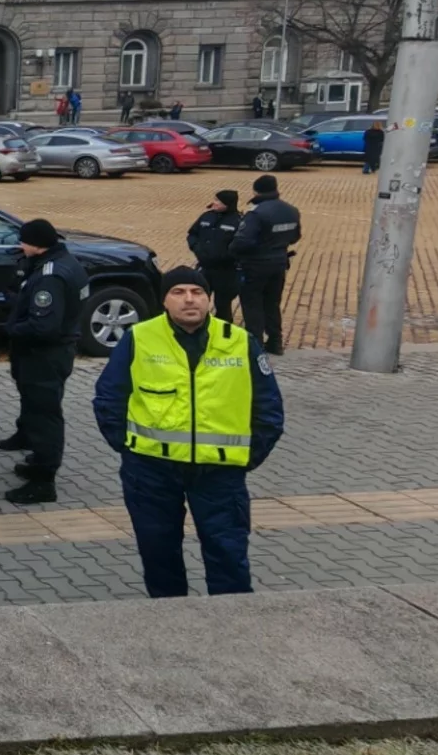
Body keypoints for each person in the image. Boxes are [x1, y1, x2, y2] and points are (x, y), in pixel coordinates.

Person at [93, 268, 285, 598]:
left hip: (219, 473)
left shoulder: (239, 342)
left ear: (209, 300)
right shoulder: (139, 338)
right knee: (159, 555)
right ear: (165, 301)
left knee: (228, 557)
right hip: (151, 472)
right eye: (179, 292)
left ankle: (236, 629)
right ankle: (172, 624)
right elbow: (109, 399)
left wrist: (247, 457)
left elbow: (268, 408)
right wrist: (129, 449)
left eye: (197, 292)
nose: (189, 299)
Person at [0, 219, 89, 505]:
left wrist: (13, 328)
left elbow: (44, 326)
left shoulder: (50, 275)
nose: (20, 246)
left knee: (44, 417)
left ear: (36, 244)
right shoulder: (67, 262)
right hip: (54, 352)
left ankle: (43, 482)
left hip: (44, 356)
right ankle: (39, 461)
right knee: (40, 411)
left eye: (24, 241)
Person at [232, 174, 302, 355]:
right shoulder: (291, 210)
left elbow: (243, 242)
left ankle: (255, 344)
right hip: (279, 263)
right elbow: (295, 237)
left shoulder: (256, 213)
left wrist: (232, 250)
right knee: (272, 303)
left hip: (255, 265)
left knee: (252, 303)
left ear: (256, 190)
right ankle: (275, 342)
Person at [187, 190, 242, 322]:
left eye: (218, 201)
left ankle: (224, 333)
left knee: (223, 305)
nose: (214, 203)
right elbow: (192, 234)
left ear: (228, 204)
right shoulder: (206, 216)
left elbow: (240, 244)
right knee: (197, 301)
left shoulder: (238, 221)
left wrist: (226, 256)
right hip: (205, 268)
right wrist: (196, 248)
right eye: (215, 200)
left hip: (226, 271)